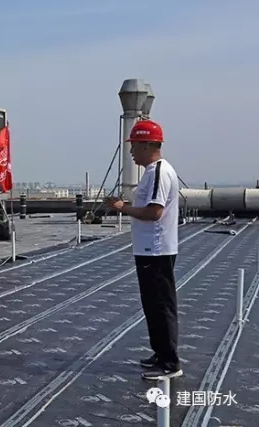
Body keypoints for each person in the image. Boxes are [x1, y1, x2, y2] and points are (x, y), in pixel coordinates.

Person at [105, 119, 182, 381]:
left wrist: (123, 208)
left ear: (148, 145)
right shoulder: (152, 172)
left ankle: (169, 362)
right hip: (149, 250)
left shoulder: (159, 172)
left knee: (160, 305)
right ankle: (160, 353)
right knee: (152, 305)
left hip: (156, 250)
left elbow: (154, 212)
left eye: (135, 146)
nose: (131, 152)